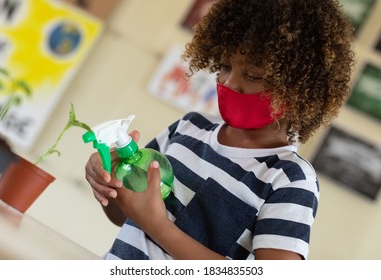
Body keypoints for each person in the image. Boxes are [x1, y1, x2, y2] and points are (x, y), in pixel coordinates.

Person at [85, 0, 355, 260]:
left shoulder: (289, 178)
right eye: (225, 66)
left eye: (252, 76)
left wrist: (158, 225)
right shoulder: (189, 126)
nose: (229, 83)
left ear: (297, 89)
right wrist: (109, 181)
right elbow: (126, 215)